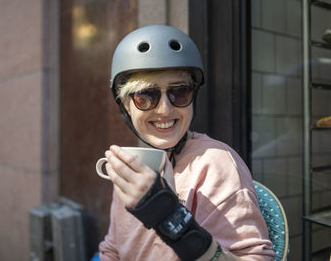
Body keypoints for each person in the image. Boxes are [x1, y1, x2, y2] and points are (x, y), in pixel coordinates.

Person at [98, 25, 275, 261]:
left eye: (179, 92)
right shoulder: (131, 165)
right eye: (145, 96)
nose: (165, 109)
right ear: (125, 105)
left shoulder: (215, 164)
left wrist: (173, 221)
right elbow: (112, 249)